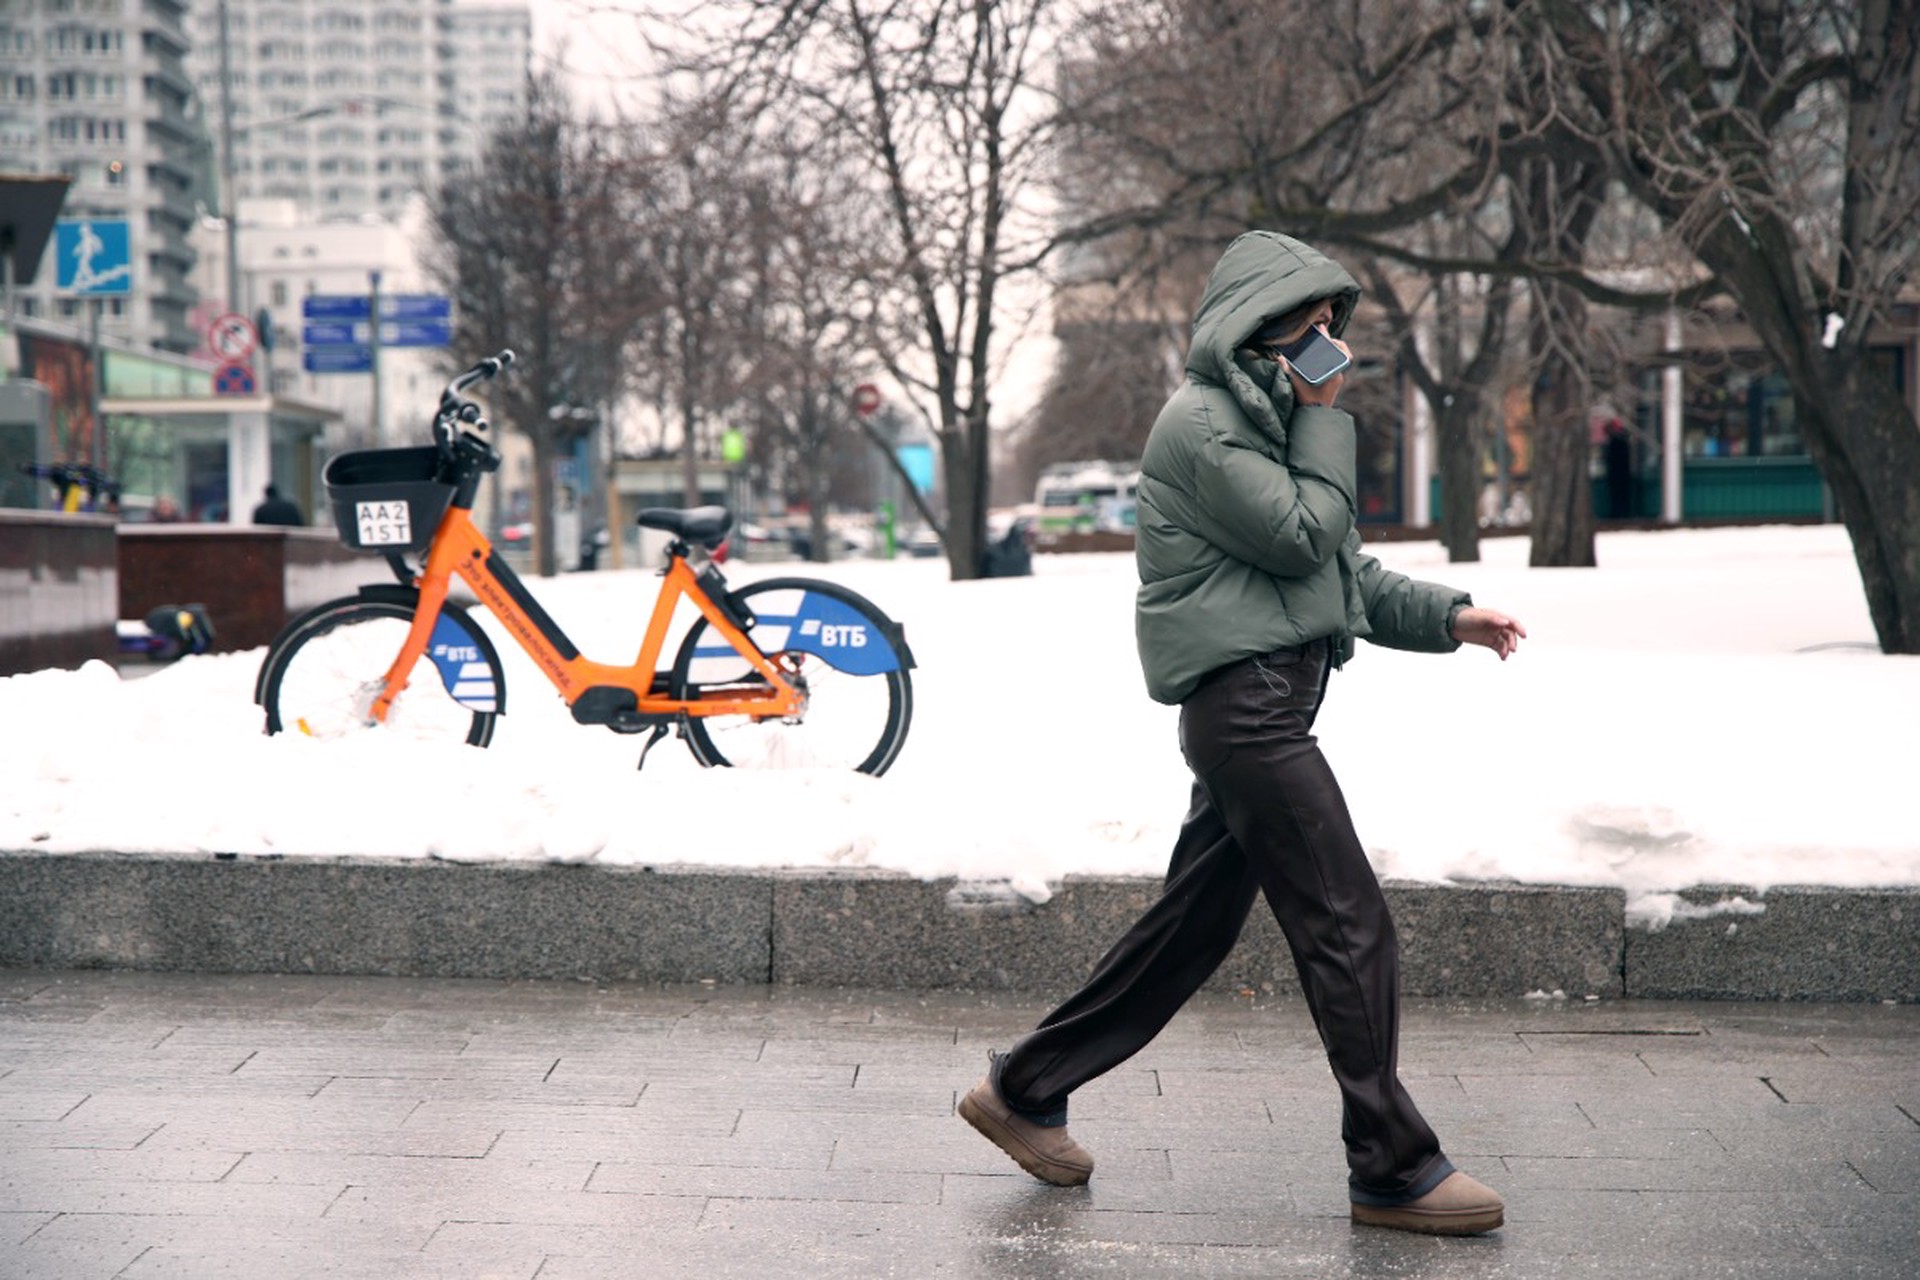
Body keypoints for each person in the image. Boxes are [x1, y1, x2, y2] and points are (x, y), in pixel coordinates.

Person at [959, 231, 1526, 1237]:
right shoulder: (1205, 426)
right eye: (1309, 331)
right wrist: (1322, 419)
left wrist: (1452, 616)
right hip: (1247, 715)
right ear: (1255, 329)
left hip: (1265, 711)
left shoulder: (1269, 431)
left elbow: (1342, 575)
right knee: (1349, 922)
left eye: (1331, 332)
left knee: (1188, 931)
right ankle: (1393, 1164)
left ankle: (1025, 1087)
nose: (1327, 350)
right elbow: (1302, 533)